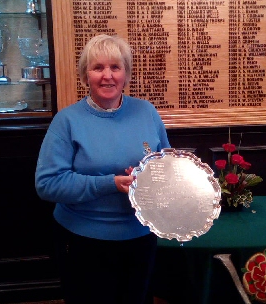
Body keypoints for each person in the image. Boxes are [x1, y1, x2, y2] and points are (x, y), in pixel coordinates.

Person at [35, 34, 170, 304]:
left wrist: (151, 176)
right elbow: (47, 183)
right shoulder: (67, 120)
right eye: (98, 68)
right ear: (86, 76)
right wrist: (110, 183)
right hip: (83, 242)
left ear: (126, 74)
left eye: (115, 67)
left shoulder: (147, 112)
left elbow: (165, 167)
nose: (107, 76)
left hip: (140, 237)